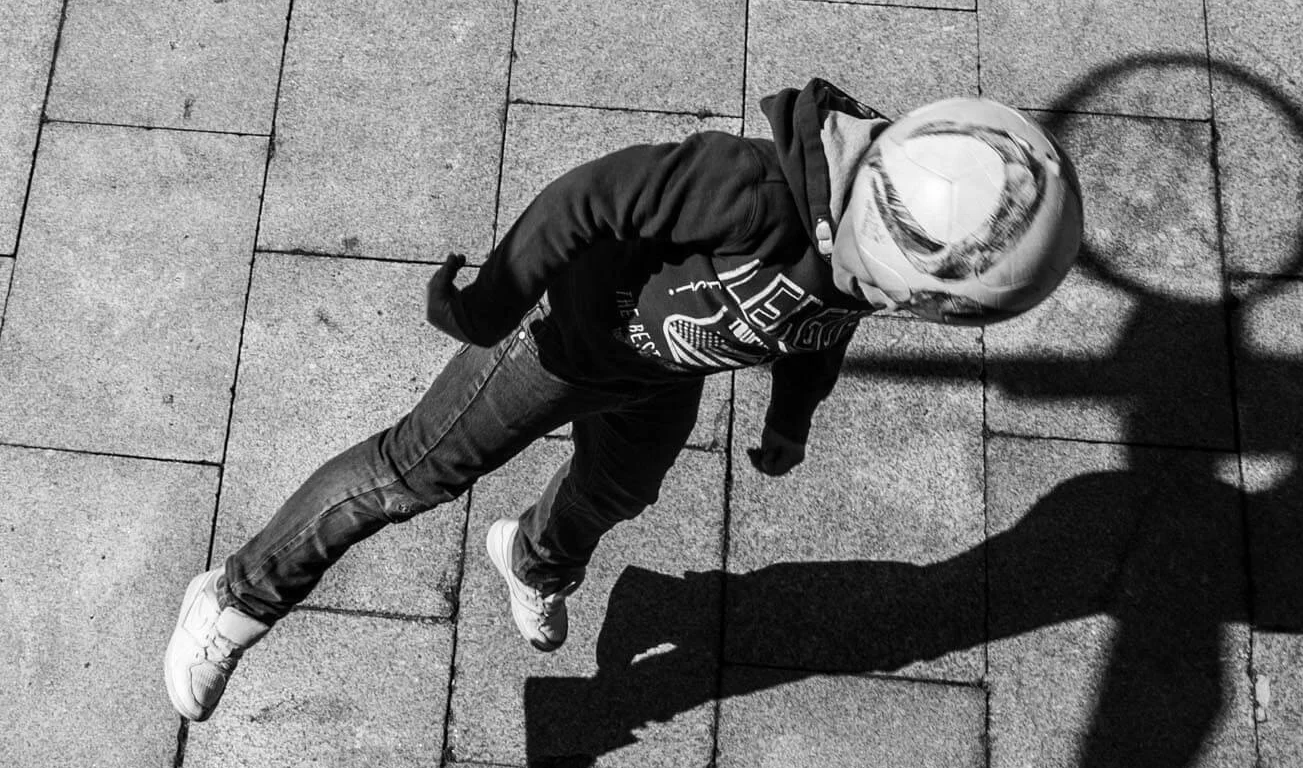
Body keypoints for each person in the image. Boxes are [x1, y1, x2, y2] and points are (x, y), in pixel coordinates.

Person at [163, 79, 1084, 722]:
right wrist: (492, 303)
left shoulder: (868, 260)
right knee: (412, 472)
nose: (899, 312)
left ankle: (529, 560)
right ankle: (239, 596)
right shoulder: (755, 191)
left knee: (616, 492)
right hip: (557, 346)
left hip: (657, 376)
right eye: (923, 306)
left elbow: (817, 334)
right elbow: (591, 198)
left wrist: (789, 422)